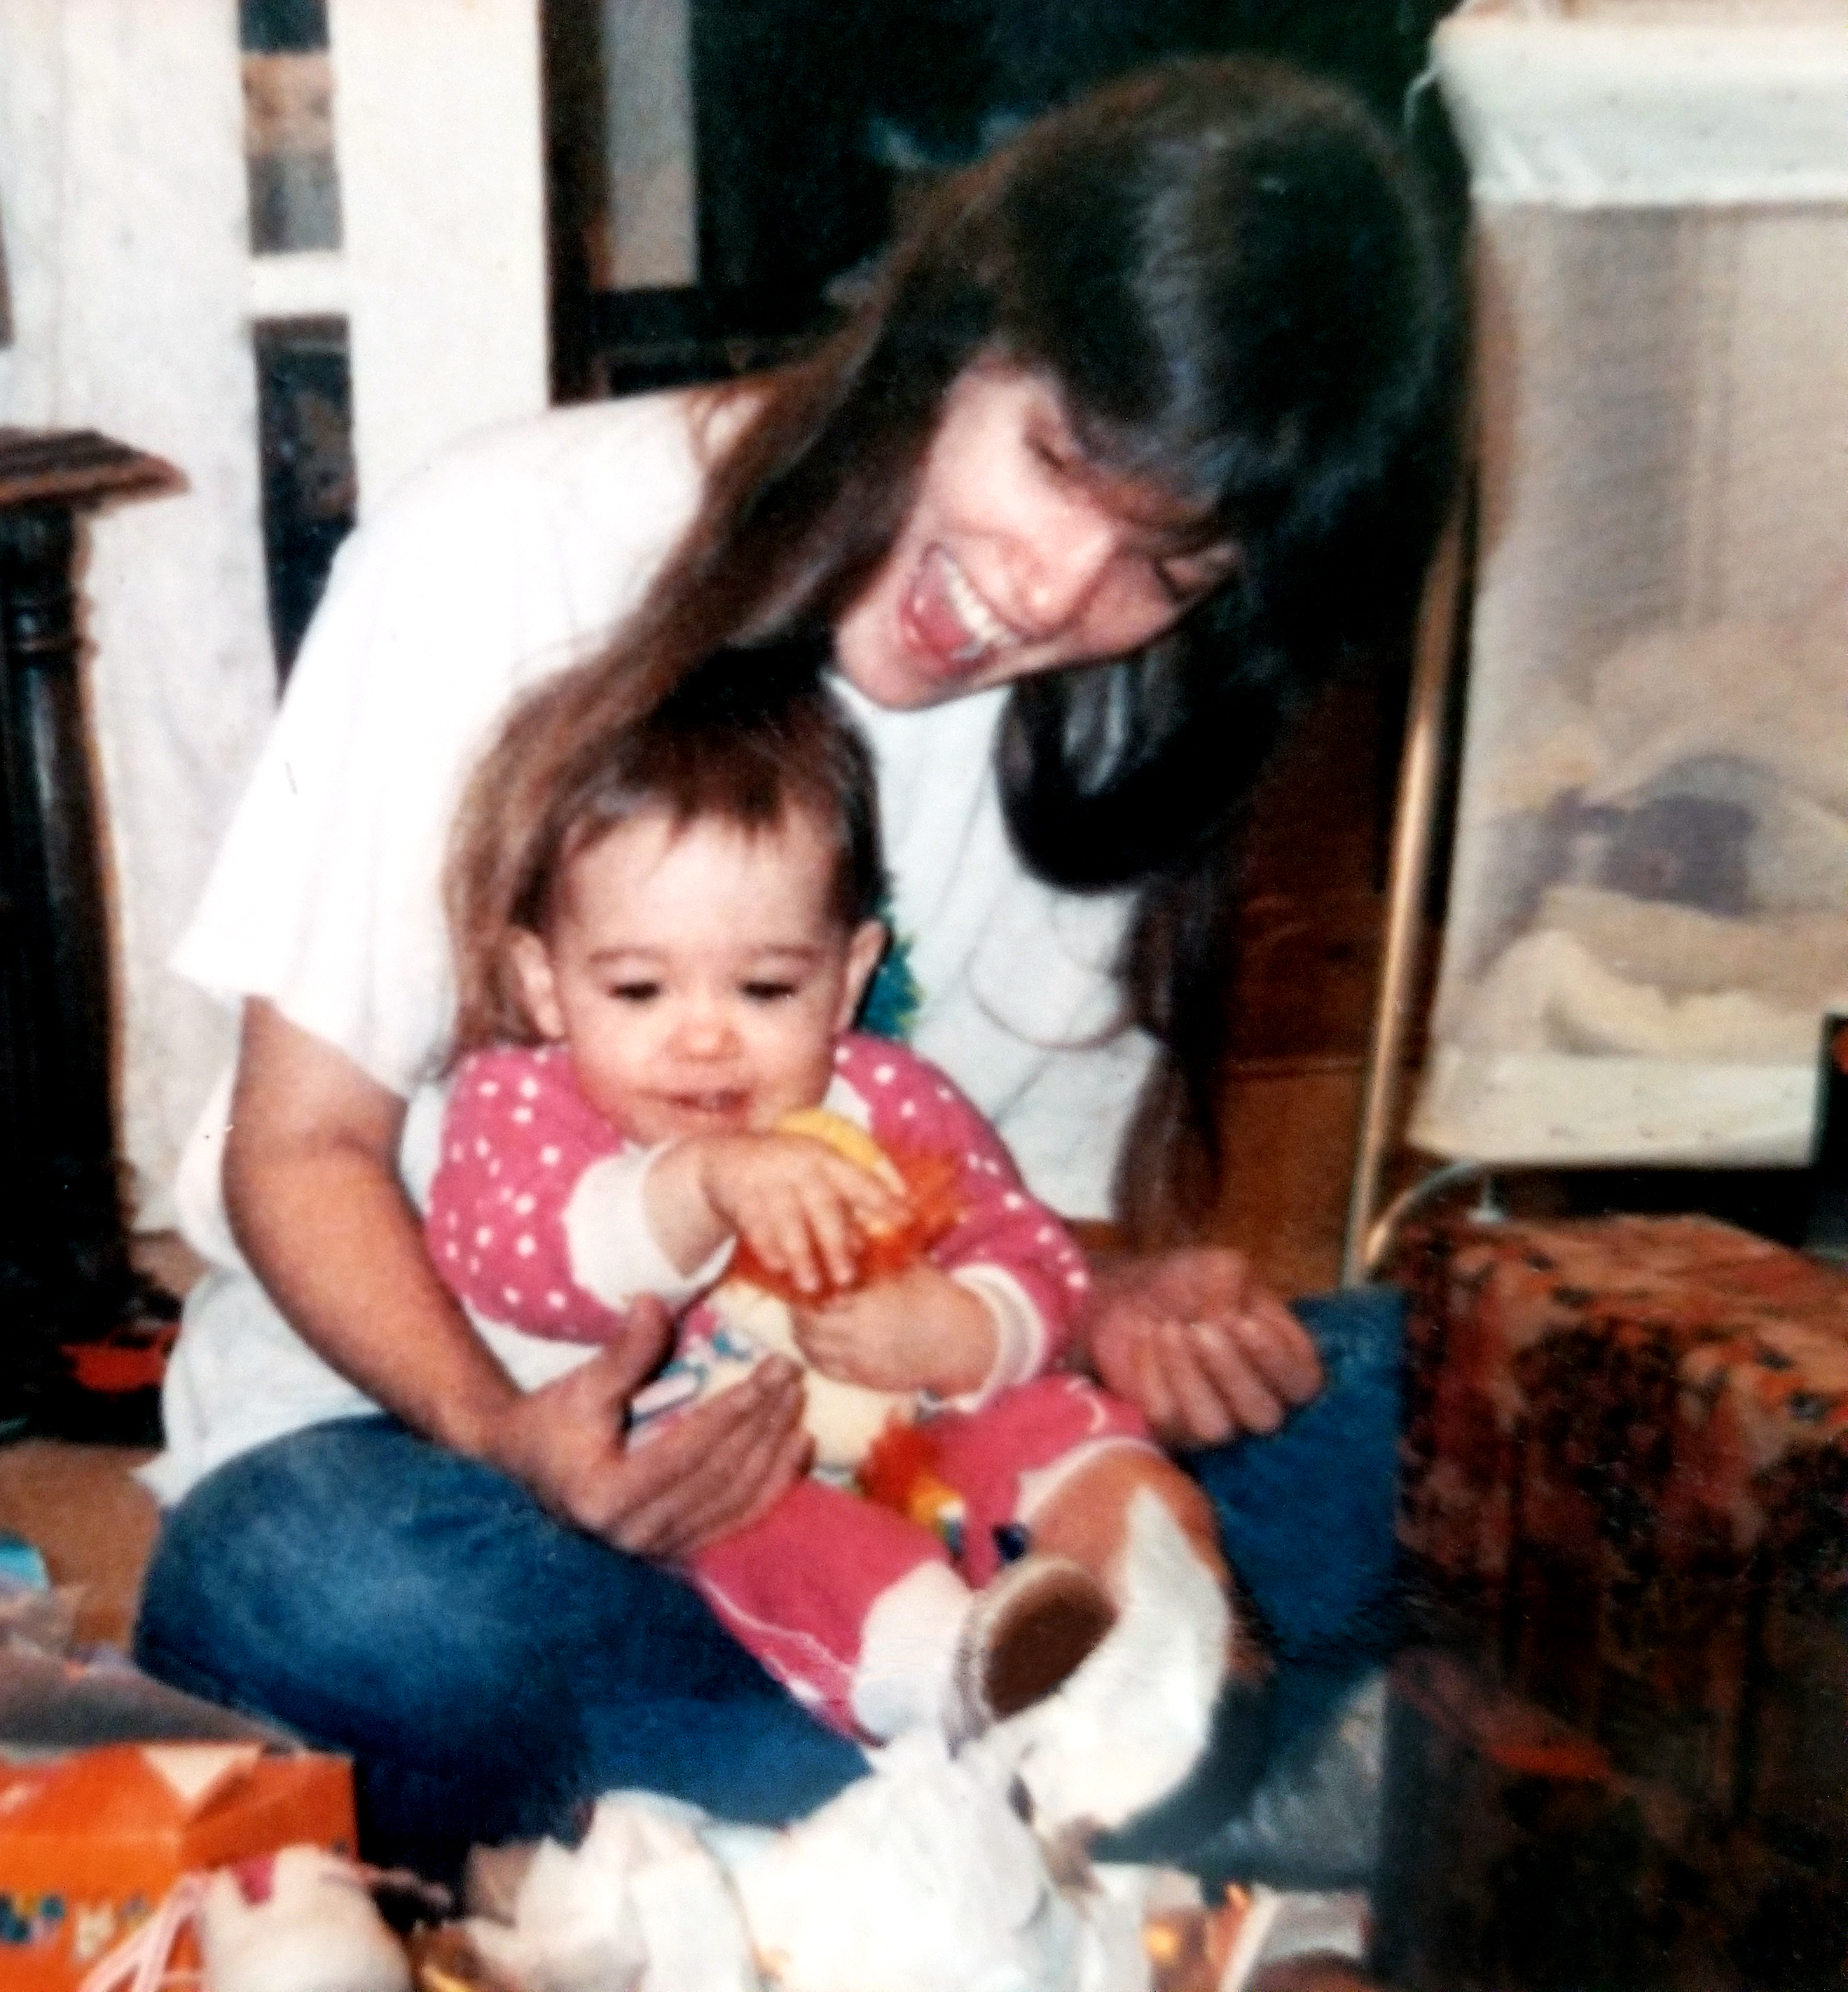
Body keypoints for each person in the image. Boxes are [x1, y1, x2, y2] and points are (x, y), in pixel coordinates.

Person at [133, 54, 1458, 1874]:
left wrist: (1128, 1301)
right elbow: (301, 1148)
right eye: (1059, 458)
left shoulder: (1121, 730)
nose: (1058, 590)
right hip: (446, 1458)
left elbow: (1012, 1232)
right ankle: (1128, 1789)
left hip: (917, 1468)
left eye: (1172, 562)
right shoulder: (499, 549)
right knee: (309, 1595)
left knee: (1445, 1394)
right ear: (958, 331)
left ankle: (956, 1776)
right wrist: (510, 1430)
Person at [423, 644, 1231, 1823]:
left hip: (925, 1434)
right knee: (774, 1534)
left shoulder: (886, 1096)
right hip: (705, 1477)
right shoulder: (526, 1104)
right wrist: (701, 1185)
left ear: (849, 977)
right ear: (546, 986)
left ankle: (1167, 1633)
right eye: (640, 992)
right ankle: (974, 1690)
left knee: (1079, 1424)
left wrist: (957, 1325)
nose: (706, 1041)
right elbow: (518, 1259)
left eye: (765, 991)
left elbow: (1034, 1259)